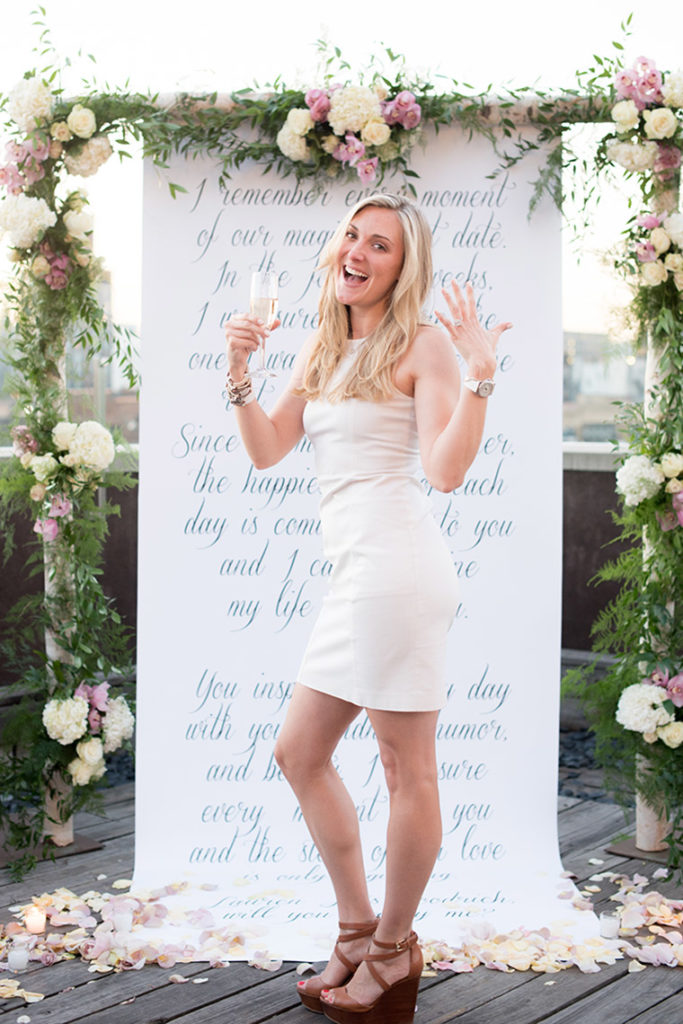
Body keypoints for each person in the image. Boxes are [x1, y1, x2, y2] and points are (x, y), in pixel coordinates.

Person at [224, 193, 511, 1024]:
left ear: (401, 267)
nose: (357, 250)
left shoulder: (423, 346)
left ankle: (392, 950)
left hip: (400, 574)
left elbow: (445, 471)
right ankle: (357, 933)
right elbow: (268, 449)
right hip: (355, 579)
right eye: (353, 234)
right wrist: (239, 373)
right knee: (298, 753)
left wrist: (479, 373)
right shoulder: (322, 341)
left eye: (379, 244)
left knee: (403, 770)